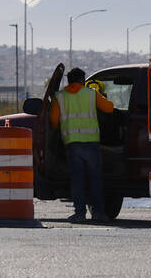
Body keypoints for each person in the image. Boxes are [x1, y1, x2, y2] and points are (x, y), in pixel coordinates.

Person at [49, 65, 115, 223]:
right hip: (91, 142)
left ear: (69, 81)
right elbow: (110, 108)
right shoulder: (91, 94)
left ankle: (79, 214)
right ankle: (98, 213)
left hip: (72, 144)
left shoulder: (60, 96)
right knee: (95, 179)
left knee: (77, 180)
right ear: (82, 81)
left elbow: (53, 121)